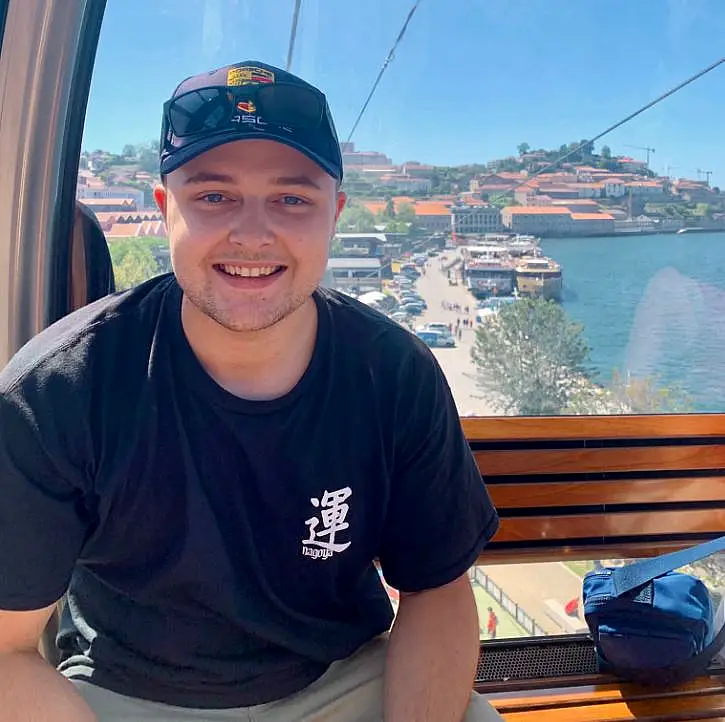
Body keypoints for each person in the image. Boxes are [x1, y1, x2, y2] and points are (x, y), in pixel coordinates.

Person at [0, 60, 502, 721]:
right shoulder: (58, 391)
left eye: (292, 199)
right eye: (213, 197)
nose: (254, 233)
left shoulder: (392, 373)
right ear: (164, 211)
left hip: (340, 679)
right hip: (126, 696)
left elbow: (436, 590)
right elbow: (7, 650)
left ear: (334, 215)